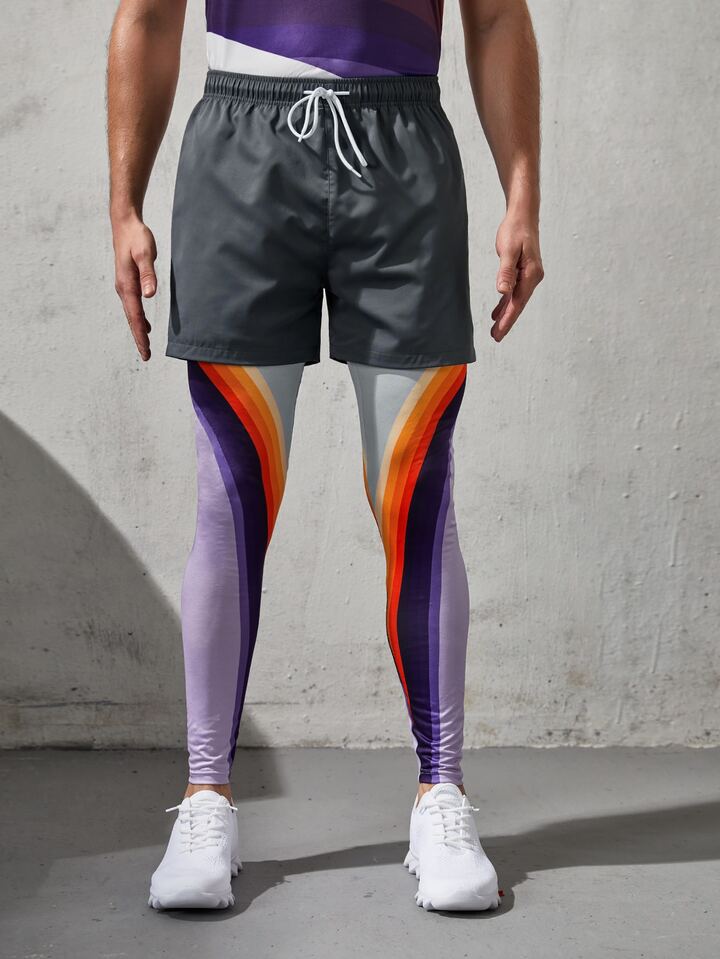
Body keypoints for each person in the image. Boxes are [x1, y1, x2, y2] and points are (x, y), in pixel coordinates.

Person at [107, 0, 543, 913]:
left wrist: (522, 197)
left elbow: (497, 15)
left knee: (416, 492)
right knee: (232, 495)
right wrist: (124, 207)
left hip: (402, 146)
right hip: (242, 144)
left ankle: (441, 791)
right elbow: (146, 14)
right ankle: (205, 797)